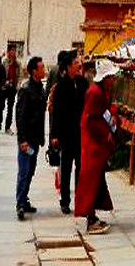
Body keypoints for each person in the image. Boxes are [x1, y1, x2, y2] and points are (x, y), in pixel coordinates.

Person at [75, 59, 119, 234]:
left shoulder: (100, 91)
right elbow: (91, 119)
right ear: (105, 77)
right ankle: (89, 219)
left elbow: (102, 114)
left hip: (96, 145)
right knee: (90, 182)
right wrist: (105, 133)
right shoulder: (95, 93)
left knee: (95, 181)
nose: (113, 80)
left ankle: (92, 215)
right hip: (92, 145)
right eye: (111, 77)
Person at [50, 51, 88, 215]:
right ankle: (65, 200)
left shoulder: (82, 83)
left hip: (80, 133)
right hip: (66, 135)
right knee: (66, 168)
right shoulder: (60, 88)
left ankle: (80, 199)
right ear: (68, 67)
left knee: (80, 168)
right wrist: (54, 136)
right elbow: (56, 114)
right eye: (75, 63)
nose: (78, 65)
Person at [16, 56, 46, 220]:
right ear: (34, 70)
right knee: (24, 171)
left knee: (31, 171)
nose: (44, 70)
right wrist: (22, 140)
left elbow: (41, 115)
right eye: (41, 67)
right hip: (27, 139)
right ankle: (20, 203)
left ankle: (24, 199)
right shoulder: (26, 89)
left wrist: (41, 136)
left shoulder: (40, 88)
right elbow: (20, 115)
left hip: (35, 138)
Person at [3, 44, 19, 133]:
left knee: (10, 108)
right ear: (8, 52)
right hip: (4, 87)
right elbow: (1, 73)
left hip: (12, 88)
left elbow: (19, 75)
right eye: (12, 50)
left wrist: (17, 86)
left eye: (15, 50)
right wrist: (4, 82)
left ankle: (7, 127)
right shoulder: (4, 61)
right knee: (0, 106)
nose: (14, 52)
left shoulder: (17, 63)